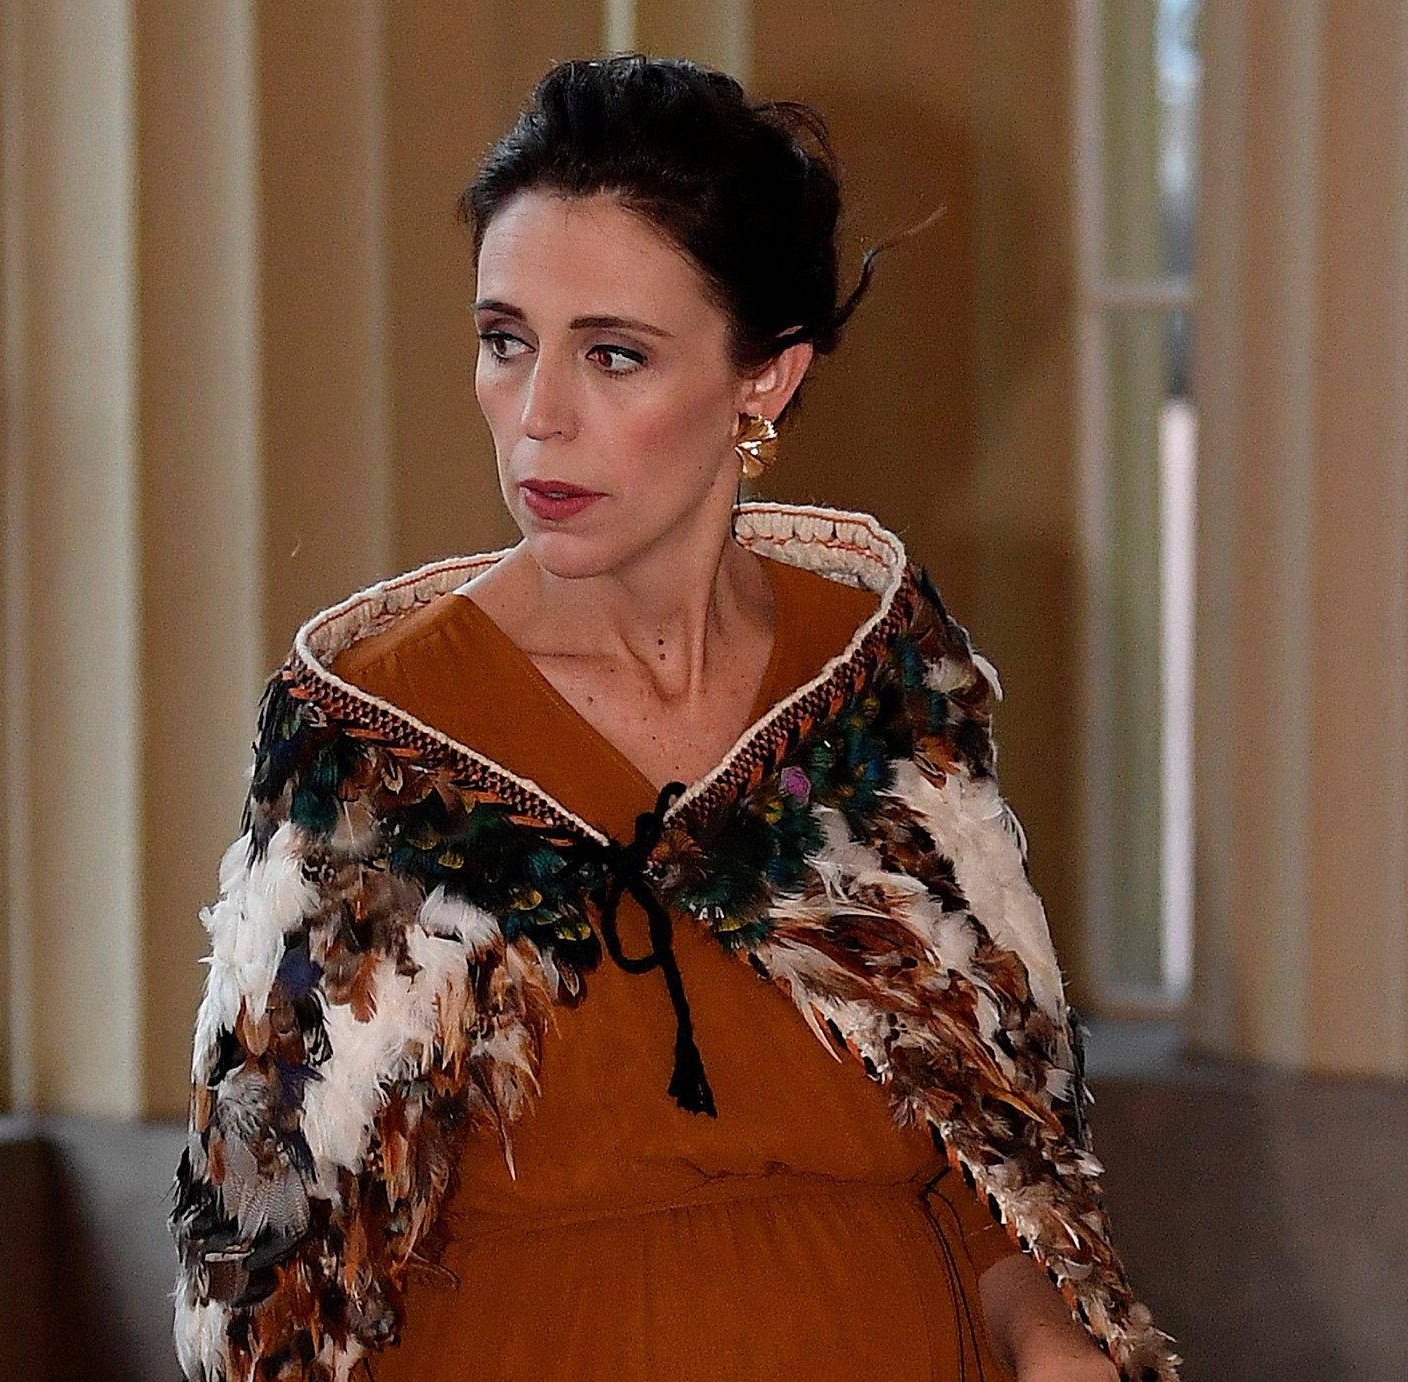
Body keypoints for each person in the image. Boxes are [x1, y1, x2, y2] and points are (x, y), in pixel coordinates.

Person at [169, 53, 1178, 1382]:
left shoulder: (881, 689)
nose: (537, 417)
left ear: (764, 377)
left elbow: (995, 1171)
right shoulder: (370, 738)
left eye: (616, 355)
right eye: (504, 339)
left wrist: (1063, 1350)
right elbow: (257, 1270)